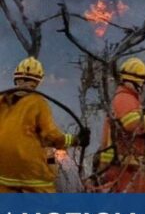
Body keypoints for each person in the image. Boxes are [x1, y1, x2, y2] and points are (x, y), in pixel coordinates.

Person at [0, 57, 90, 193]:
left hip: (3, 171)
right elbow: (51, 137)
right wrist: (76, 140)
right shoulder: (38, 103)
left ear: (16, 78)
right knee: (47, 201)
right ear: (38, 81)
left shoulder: (2, 100)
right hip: (30, 169)